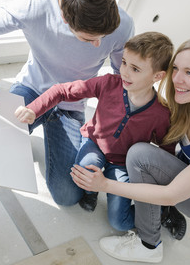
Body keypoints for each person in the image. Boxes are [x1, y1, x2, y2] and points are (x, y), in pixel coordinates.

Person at [71, 36, 190, 263]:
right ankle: (163, 213)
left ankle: (149, 245)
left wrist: (104, 185)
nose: (177, 79)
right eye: (176, 68)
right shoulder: (189, 101)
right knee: (141, 156)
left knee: (140, 156)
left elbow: (171, 193)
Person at [0, 0, 134, 206]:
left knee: (68, 196)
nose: (98, 45)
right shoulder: (36, 6)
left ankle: (50, 134)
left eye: (102, 38)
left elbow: (120, 77)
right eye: (88, 38)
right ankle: (30, 129)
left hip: (70, 104)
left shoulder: (121, 25)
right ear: (64, 18)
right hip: (32, 90)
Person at [15, 32, 175, 232]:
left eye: (135, 69)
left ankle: (163, 214)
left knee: (119, 222)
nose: (125, 72)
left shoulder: (161, 114)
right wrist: (33, 109)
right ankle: (89, 191)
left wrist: (162, 194)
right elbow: (62, 91)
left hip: (122, 165)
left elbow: (165, 151)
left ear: (158, 76)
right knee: (84, 167)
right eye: (124, 62)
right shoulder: (109, 83)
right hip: (94, 145)